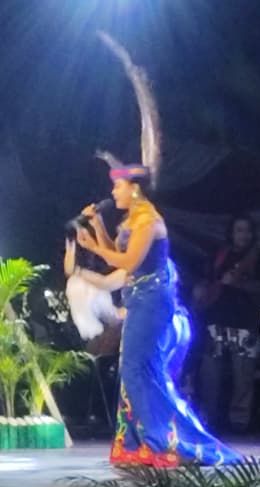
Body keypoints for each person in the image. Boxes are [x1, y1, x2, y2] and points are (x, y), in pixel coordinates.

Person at [75, 163, 240, 468]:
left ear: (134, 188)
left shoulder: (149, 221)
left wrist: (96, 250)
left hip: (152, 301)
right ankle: (140, 443)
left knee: (139, 370)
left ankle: (163, 441)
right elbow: (120, 258)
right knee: (133, 370)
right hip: (138, 298)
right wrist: (97, 227)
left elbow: (129, 261)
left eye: (118, 186)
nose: (113, 192)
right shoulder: (132, 220)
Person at [195, 215, 260, 433]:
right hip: (217, 320)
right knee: (210, 373)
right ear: (232, 233)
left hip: (246, 323)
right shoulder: (220, 255)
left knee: (243, 376)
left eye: (247, 230)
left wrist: (238, 282)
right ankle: (209, 419)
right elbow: (208, 282)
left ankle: (239, 422)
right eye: (239, 230)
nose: (243, 235)